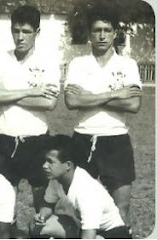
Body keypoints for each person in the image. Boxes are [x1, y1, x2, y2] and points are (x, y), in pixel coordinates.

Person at [64, 6, 142, 229]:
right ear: (89, 34)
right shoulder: (79, 64)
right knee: (77, 205)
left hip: (116, 140)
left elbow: (134, 104)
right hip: (82, 138)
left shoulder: (128, 65)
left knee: (121, 207)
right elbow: (71, 102)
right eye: (97, 30)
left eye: (107, 30)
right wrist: (115, 94)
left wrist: (89, 96)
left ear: (115, 33)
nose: (102, 35)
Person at [0, 5, 60, 213]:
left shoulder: (48, 62)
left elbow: (48, 103)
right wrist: (32, 92)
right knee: (4, 206)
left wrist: (6, 94)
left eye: (26, 31)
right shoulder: (0, 60)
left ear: (37, 33)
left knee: (42, 205)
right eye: (16, 31)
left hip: (37, 140)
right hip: (4, 139)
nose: (20, 37)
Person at [29, 135, 131, 239]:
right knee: (36, 226)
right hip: (83, 228)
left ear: (68, 165)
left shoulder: (86, 191)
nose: (44, 166)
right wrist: (42, 216)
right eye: (45, 161)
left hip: (112, 233)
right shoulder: (56, 180)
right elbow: (48, 203)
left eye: (50, 162)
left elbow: (89, 236)